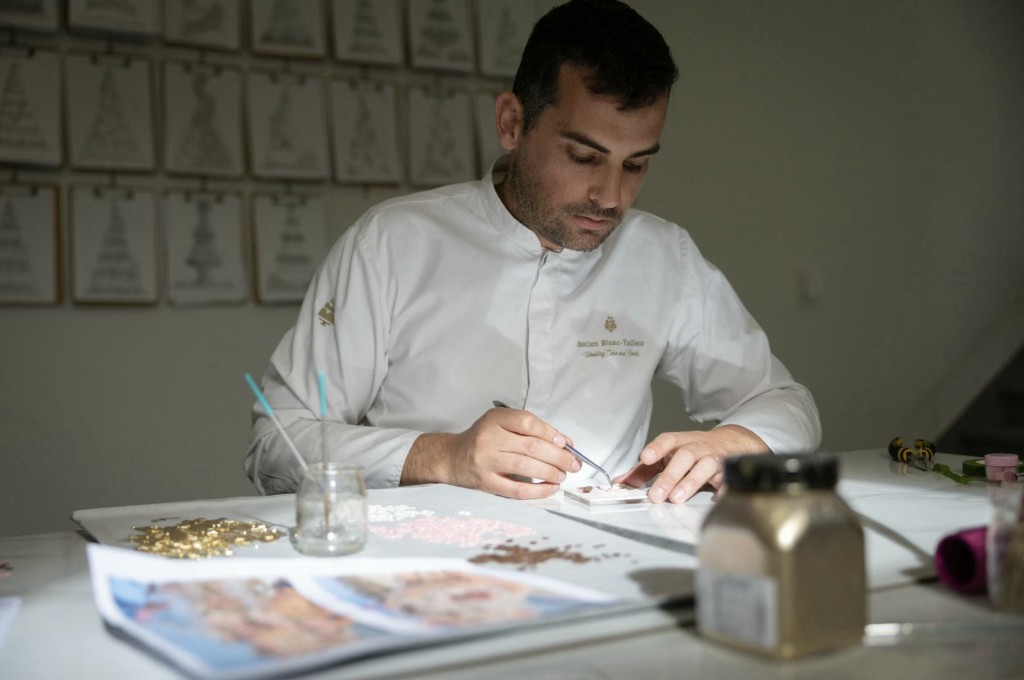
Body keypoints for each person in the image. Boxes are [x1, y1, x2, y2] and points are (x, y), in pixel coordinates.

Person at [246, 0, 820, 504]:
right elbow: (276, 445)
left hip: (605, 570)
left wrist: (734, 441)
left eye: (636, 165)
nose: (610, 197)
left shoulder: (663, 257)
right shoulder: (392, 243)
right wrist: (444, 457)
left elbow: (785, 401)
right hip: (428, 574)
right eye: (583, 157)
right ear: (512, 122)